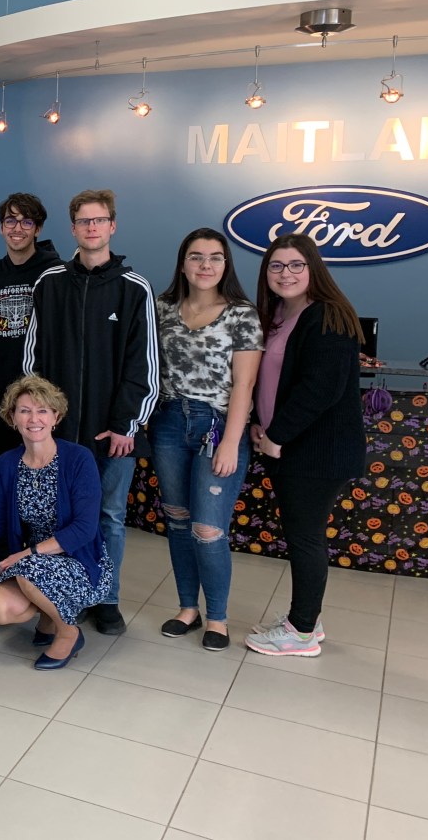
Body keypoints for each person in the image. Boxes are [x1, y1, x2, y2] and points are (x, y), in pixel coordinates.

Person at [22, 188, 157, 636]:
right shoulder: (50, 283)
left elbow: (145, 365)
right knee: (60, 517)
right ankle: (69, 593)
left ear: (112, 226)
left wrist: (125, 425)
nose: (92, 227)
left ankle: (106, 598)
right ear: (73, 228)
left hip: (112, 436)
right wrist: (41, 420)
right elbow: (32, 360)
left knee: (109, 519)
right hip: (57, 436)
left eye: (99, 220)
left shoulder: (134, 288)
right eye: (84, 221)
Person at [244, 234, 364, 658]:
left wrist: (276, 435)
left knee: (305, 537)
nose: (286, 273)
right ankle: (307, 619)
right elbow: (269, 381)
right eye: (276, 266)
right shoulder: (277, 314)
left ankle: (301, 632)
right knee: (301, 534)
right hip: (286, 445)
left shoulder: (328, 315)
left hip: (316, 452)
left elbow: (320, 390)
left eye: (296, 264)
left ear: (313, 268)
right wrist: (259, 424)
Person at [0, 375, 111, 670]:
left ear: (56, 417)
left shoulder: (79, 459)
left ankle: (68, 633)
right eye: (25, 411)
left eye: (42, 410)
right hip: (31, 565)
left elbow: (84, 528)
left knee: (29, 571)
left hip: (80, 561)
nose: (34, 419)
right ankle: (48, 617)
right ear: (12, 417)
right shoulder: (6, 464)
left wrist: (27, 555)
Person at [150, 229, 262, 651]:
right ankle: (188, 609)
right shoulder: (161, 308)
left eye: (215, 257)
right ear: (183, 264)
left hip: (217, 426)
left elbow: (244, 385)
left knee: (208, 528)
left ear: (225, 264)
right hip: (168, 422)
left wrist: (232, 441)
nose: (205, 265)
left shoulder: (241, 314)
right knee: (179, 520)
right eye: (196, 256)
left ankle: (218, 617)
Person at [0, 192, 61, 454]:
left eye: (26, 222)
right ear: (1, 227)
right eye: (10, 221)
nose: (17, 228)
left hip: (42, 396)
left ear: (37, 229)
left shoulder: (56, 274)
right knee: (0, 467)